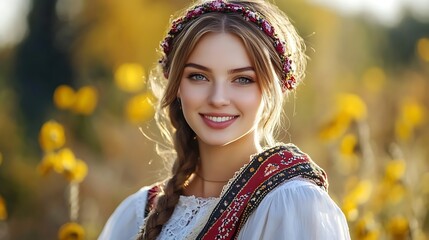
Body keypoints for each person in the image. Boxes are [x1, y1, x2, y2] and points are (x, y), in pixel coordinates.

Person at [99, 0, 351, 239]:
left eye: (242, 79)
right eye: (198, 76)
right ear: (176, 85)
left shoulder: (293, 206)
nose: (218, 98)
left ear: (274, 89)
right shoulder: (137, 212)